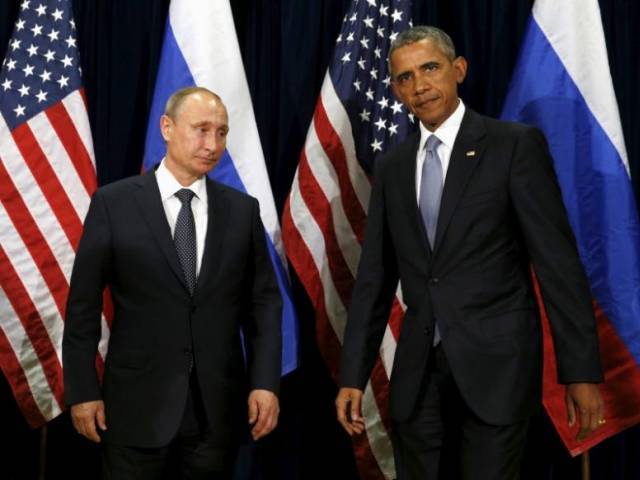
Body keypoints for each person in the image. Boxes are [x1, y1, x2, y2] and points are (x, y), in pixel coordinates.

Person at [336, 26, 604, 479]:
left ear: (458, 70)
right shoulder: (393, 167)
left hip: (497, 370)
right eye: (404, 78)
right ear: (396, 91)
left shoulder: (514, 146)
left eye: (430, 69)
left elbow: (557, 265)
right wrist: (351, 374)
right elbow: (375, 279)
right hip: (418, 377)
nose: (419, 86)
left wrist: (581, 372)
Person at [63, 87, 282, 480]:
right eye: (201, 129)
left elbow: (264, 305)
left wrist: (265, 382)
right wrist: (82, 390)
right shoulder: (113, 204)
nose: (212, 144)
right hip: (133, 409)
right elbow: (82, 307)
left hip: (216, 412)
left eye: (221, 132)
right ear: (167, 127)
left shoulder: (242, 210)